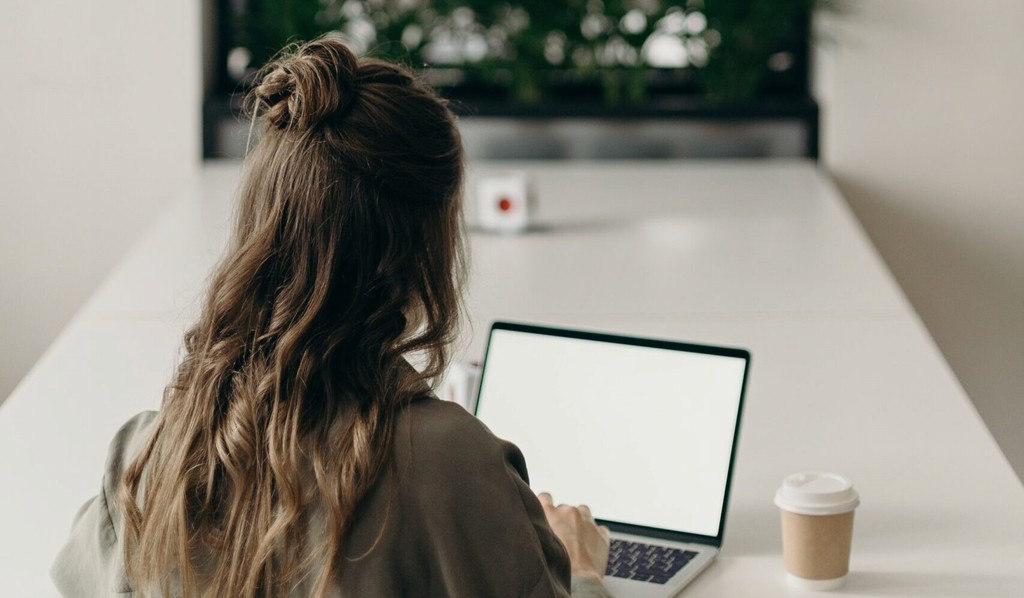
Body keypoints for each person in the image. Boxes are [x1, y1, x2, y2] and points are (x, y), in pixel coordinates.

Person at [50, 36, 614, 598]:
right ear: (427, 250)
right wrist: (584, 572)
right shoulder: (454, 468)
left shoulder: (147, 458)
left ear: (259, 226)